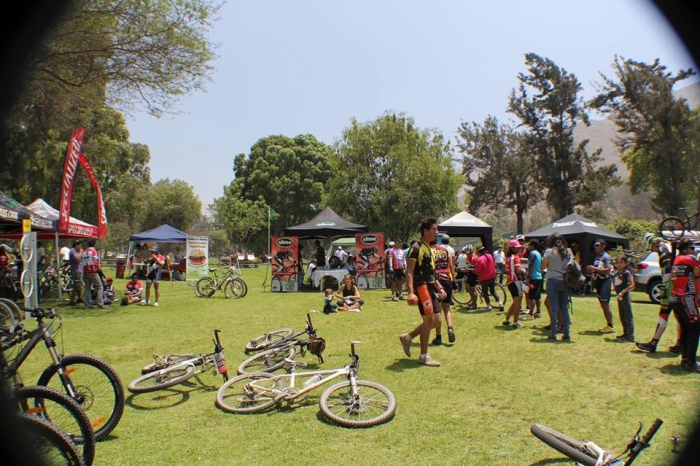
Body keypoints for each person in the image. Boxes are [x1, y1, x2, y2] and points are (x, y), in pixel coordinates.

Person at [399, 217, 446, 367]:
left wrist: (439, 286)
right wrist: (411, 292)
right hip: (421, 287)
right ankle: (424, 356)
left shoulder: (429, 248)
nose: (437, 232)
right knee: (428, 320)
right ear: (425, 231)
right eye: (434, 229)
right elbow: (410, 272)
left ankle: (408, 337)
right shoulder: (416, 248)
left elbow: (430, 272)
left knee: (437, 321)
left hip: (431, 286)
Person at [636, 236, 682, 353]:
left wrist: (664, 287)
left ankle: (654, 343)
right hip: (676, 287)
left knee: (664, 314)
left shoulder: (663, 251)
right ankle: (680, 344)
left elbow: (668, 268)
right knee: (679, 316)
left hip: (670, 288)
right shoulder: (669, 249)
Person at [668, 238, 700, 372]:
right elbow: (698, 273)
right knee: (695, 328)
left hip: (675, 297)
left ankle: (685, 359)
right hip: (686, 297)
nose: (694, 251)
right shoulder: (690, 259)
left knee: (686, 329)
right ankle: (691, 363)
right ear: (687, 249)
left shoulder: (677, 260)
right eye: (693, 249)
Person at [542, 233, 572, 342]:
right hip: (564, 282)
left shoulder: (549, 252)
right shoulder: (568, 252)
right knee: (564, 308)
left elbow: (543, 266)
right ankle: (567, 333)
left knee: (554, 308)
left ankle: (553, 334)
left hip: (552, 281)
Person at [587, 239, 615, 333]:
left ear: (603, 246)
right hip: (598, 282)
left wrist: (594, 268)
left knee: (605, 303)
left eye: (597, 245)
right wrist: (591, 269)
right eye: (594, 245)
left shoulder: (606, 257)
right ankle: (608, 324)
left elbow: (607, 270)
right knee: (603, 304)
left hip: (605, 282)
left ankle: (610, 325)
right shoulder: (598, 257)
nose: (595, 247)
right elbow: (598, 269)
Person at [431, 238, 455, 344]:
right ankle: (450, 328)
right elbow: (451, 266)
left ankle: (439, 336)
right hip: (447, 279)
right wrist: (453, 280)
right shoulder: (445, 250)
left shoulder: (429, 251)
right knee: (447, 307)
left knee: (438, 310)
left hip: (436, 280)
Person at [503, 239, 526, 328]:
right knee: (518, 303)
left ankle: (507, 319)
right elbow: (518, 270)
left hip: (510, 282)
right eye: (516, 248)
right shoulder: (515, 257)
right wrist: (524, 270)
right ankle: (516, 322)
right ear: (512, 248)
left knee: (515, 302)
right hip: (516, 281)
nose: (518, 249)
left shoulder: (508, 258)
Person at [613, 256, 636, 342]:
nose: (619, 265)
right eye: (618, 263)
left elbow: (632, 285)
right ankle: (625, 333)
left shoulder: (627, 273)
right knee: (622, 315)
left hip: (625, 296)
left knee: (628, 315)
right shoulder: (616, 273)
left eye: (621, 263)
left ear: (626, 264)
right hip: (619, 296)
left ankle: (630, 335)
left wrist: (623, 291)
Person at [475, 246, 501, 311]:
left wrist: (474, 271)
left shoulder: (480, 259)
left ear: (479, 252)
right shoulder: (490, 256)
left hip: (484, 278)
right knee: (493, 291)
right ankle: (500, 303)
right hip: (492, 277)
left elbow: (478, 270)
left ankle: (489, 306)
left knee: (485, 292)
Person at [81, 239, 103, 309]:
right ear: (94, 244)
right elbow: (95, 261)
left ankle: (88, 304)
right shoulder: (94, 251)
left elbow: (82, 261)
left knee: (87, 288)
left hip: (85, 271)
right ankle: (100, 303)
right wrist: (97, 269)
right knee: (99, 287)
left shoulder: (84, 252)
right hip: (92, 272)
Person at [524, 239, 543, 318]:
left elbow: (530, 265)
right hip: (539, 277)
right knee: (538, 296)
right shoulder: (539, 254)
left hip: (533, 277)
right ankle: (538, 312)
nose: (528, 246)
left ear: (533, 246)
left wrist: (528, 277)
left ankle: (530, 313)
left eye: (529, 245)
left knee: (531, 297)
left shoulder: (532, 254)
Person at [67, 240, 84, 306]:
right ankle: (72, 300)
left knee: (80, 285)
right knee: (76, 286)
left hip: (80, 270)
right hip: (76, 270)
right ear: (76, 245)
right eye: (80, 245)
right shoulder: (72, 251)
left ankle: (79, 298)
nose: (81, 247)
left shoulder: (79, 251)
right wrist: (80, 253)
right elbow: (77, 260)